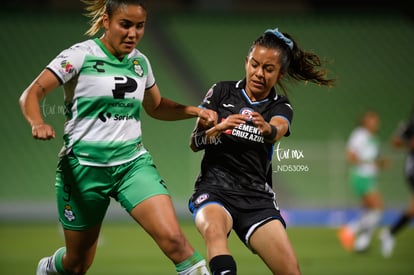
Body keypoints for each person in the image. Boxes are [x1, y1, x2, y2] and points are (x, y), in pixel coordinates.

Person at [19, 1, 217, 274]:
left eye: (140, 26)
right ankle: (50, 268)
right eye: (125, 25)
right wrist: (37, 122)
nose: (133, 33)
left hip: (132, 166)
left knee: (176, 241)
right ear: (106, 21)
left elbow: (155, 107)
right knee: (77, 265)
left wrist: (193, 110)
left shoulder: (140, 62)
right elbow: (31, 94)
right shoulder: (79, 55)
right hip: (83, 170)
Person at [187, 28, 335, 275]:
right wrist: (218, 129)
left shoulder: (280, 105)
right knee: (214, 233)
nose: (259, 73)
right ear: (246, 62)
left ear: (280, 74)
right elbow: (195, 142)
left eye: (268, 69)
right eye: (254, 64)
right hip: (214, 190)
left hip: (256, 199)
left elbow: (279, 127)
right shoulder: (222, 91)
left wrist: (267, 129)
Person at [338, 110, 388, 253]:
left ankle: (362, 243)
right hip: (361, 176)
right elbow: (350, 156)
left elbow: (373, 159)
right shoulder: (359, 134)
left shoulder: (374, 137)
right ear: (365, 121)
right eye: (373, 119)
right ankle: (350, 230)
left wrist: (380, 163)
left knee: (369, 211)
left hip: (369, 176)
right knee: (378, 208)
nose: (376, 122)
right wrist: (367, 163)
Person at [380, 110, 414, 258]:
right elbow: (395, 141)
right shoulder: (410, 124)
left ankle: (390, 233)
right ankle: (389, 233)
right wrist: (409, 143)